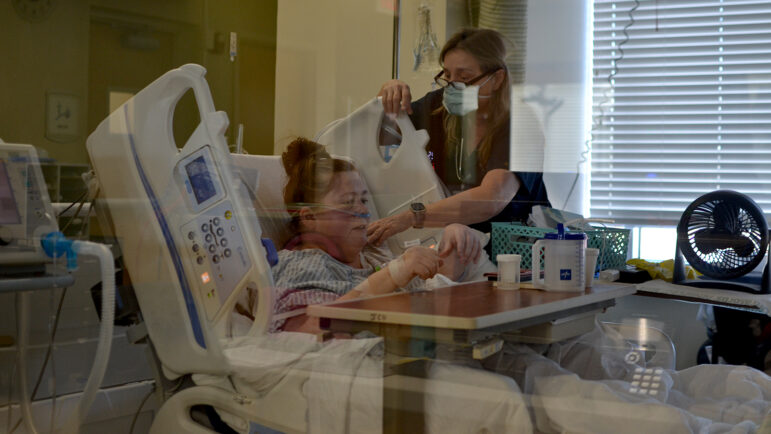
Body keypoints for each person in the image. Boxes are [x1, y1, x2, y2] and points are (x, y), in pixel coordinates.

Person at [269, 137, 487, 334]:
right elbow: (310, 329)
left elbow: (433, 288)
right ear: (309, 218)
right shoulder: (299, 265)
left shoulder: (374, 257)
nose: (363, 211)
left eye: (363, 201)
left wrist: (455, 242)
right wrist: (393, 274)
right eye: (347, 202)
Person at [368, 27, 550, 248]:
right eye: (447, 75)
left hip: (513, 253)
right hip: (453, 246)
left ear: (496, 78)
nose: (453, 86)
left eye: (465, 78)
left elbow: (491, 197)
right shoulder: (436, 108)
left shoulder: (521, 124)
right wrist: (387, 94)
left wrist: (411, 216)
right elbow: (378, 136)